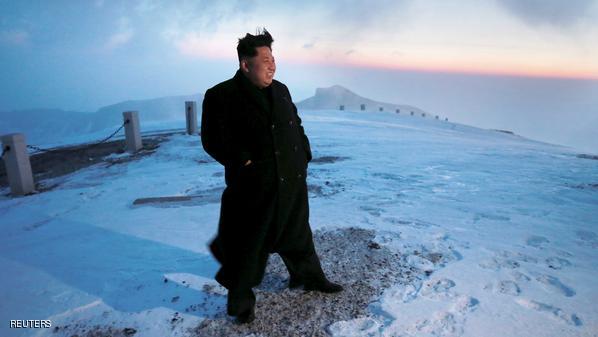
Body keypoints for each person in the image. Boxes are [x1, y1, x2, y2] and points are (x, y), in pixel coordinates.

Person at [200, 28, 342, 324]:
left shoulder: (281, 89)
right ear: (245, 65)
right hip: (254, 187)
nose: (272, 64)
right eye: (265, 59)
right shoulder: (221, 95)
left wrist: (303, 152)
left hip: (291, 179)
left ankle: (309, 277)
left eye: (273, 58)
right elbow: (212, 139)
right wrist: (243, 160)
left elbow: (296, 124)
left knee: (298, 234)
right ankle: (241, 304)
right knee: (247, 245)